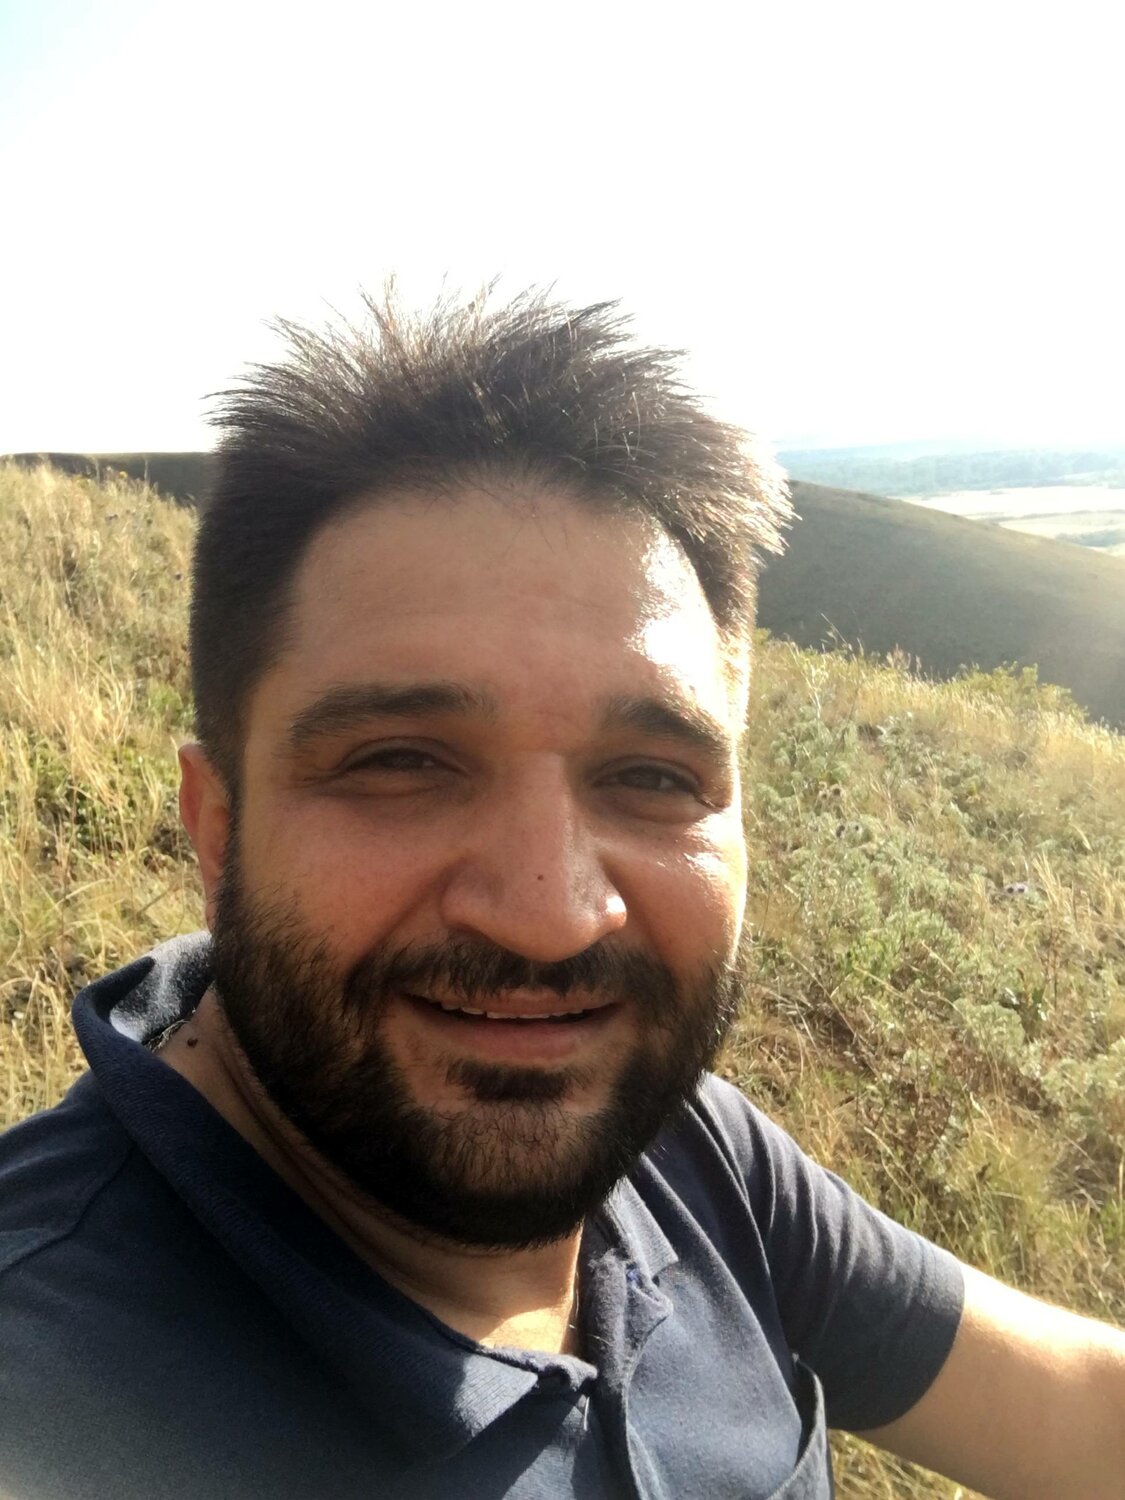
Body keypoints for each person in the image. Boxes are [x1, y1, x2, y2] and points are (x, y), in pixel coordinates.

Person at [0, 290, 1121, 1500]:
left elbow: (1080, 1407)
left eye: (652, 777)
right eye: (401, 762)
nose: (551, 914)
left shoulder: (690, 1152)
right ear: (216, 828)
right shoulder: (47, 1381)